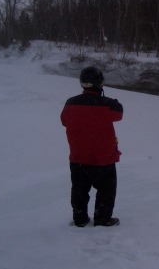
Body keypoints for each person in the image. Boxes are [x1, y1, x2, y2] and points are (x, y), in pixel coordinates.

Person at [61, 66, 123, 227]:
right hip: (103, 159)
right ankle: (102, 219)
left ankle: (80, 219)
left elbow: (64, 121)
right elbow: (119, 114)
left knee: (79, 191)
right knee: (106, 191)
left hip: (78, 158)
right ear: (99, 83)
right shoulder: (108, 105)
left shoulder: (70, 104)